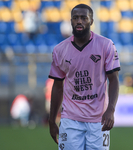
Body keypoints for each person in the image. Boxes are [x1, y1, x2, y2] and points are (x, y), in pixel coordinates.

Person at [48, 4, 120, 150]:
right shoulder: (59, 50)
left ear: (91, 21)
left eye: (83, 18)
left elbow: (114, 80)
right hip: (70, 120)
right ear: (71, 21)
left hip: (98, 119)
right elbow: (57, 87)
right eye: (75, 18)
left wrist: (111, 109)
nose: (79, 21)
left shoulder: (106, 45)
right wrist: (51, 121)